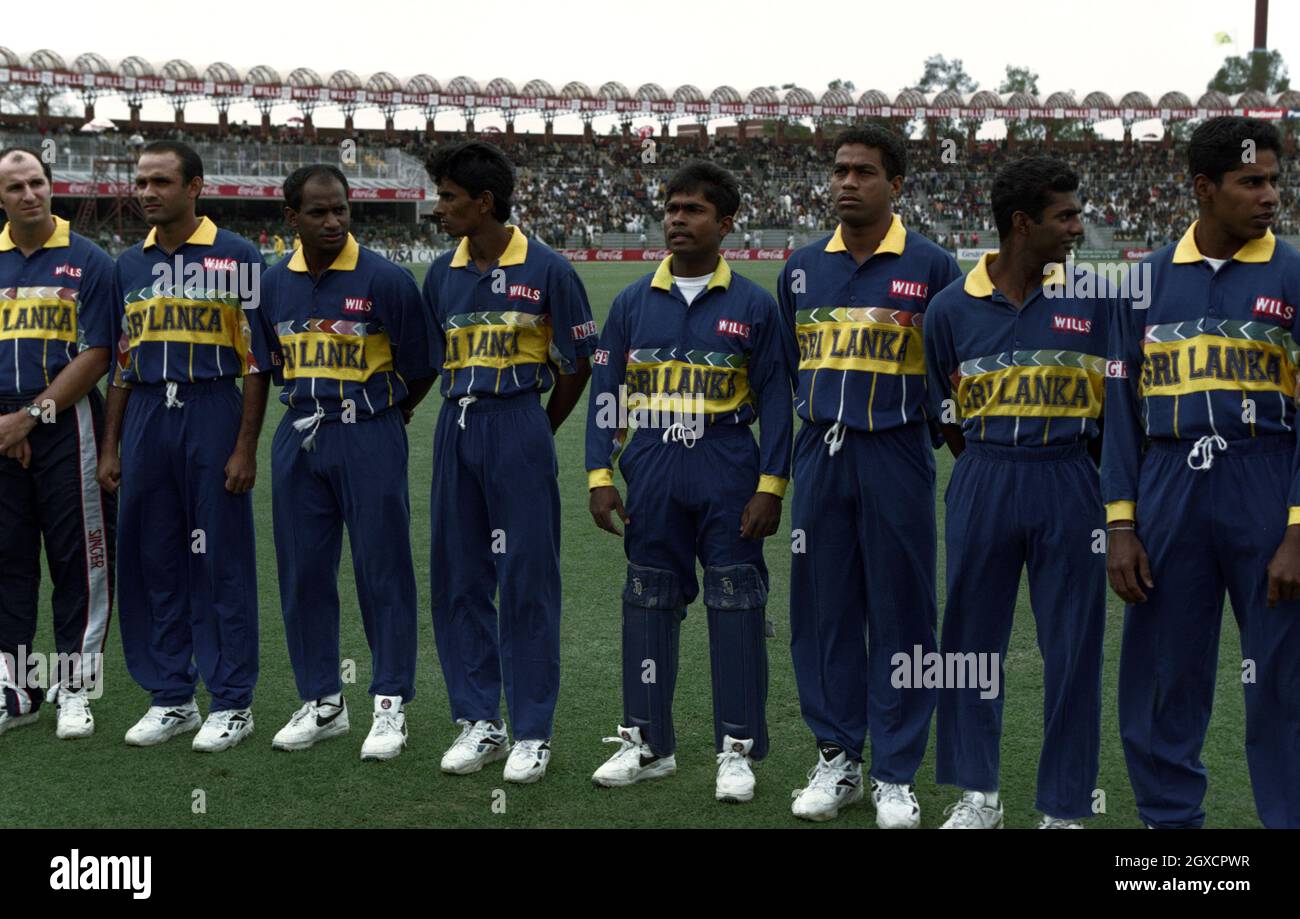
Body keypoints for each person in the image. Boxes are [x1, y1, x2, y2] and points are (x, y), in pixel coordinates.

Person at [1104, 116, 1300, 828]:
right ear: (1203, 189)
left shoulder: (1295, 273)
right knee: (1164, 673)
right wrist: (1121, 524)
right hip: (1168, 485)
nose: (1270, 195)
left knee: (1282, 675)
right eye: (1252, 181)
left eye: (1274, 180)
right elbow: (1119, 415)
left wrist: (1298, 526)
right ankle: (1171, 826)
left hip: (1267, 480)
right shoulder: (1140, 282)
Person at [586, 161, 792, 802]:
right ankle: (646, 743)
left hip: (727, 461)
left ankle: (737, 749)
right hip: (651, 463)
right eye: (672, 208)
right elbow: (606, 393)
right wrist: (600, 474)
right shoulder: (629, 302)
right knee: (648, 598)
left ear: (725, 223)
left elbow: (780, 400)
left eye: (693, 210)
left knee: (735, 601)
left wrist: (771, 485)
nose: (677, 219)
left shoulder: (755, 304)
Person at [781, 127, 961, 825]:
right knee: (824, 609)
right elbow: (795, 367)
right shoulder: (800, 268)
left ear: (897, 184)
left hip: (897, 452)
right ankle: (837, 758)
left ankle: (894, 770)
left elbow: (950, 368)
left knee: (903, 610)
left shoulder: (933, 265)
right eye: (840, 171)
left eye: (864, 172)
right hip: (819, 453)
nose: (847, 182)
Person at [925, 157, 1108, 829]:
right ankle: (979, 797)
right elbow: (941, 409)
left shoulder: (1095, 298)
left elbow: (1117, 408)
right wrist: (988, 466)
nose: (1077, 227)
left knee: (1073, 647)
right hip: (983, 477)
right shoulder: (949, 307)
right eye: (1065, 215)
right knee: (970, 644)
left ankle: (1065, 807)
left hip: (1070, 479)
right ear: (1022, 224)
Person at [422, 141, 594, 784]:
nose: (438, 209)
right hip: (455, 428)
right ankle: (479, 722)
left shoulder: (548, 269)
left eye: (448, 197)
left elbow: (580, 363)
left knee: (526, 579)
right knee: (460, 577)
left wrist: (538, 425)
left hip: (518, 423)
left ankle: (531, 731)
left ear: (484, 202)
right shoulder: (441, 272)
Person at [97, 140, 271, 753]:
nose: (147, 192)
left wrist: (245, 446)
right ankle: (171, 695)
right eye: (141, 181)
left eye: (161, 181)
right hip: (146, 411)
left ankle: (232, 701)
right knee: (153, 557)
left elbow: (255, 362)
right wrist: (111, 445)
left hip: (212, 407)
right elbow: (120, 363)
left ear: (194, 186)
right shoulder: (127, 266)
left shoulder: (237, 256)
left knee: (221, 557)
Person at [258, 165, 434, 760]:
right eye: (317, 213)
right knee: (303, 572)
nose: (332, 222)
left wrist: (386, 414)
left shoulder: (384, 278)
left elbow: (421, 366)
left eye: (340, 210)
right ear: (291, 219)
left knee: (382, 569)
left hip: (368, 435)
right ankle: (322, 702)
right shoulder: (271, 282)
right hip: (298, 435)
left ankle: (389, 705)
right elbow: (270, 361)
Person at [0, 147, 116, 739]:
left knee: (80, 559)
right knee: (8, 560)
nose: (29, 194)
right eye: (16, 186)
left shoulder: (87, 259)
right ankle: (15, 687)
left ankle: (74, 685)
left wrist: (31, 416)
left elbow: (98, 353)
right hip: (0, 429)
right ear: (1, 198)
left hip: (66, 425)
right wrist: (7, 423)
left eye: (37, 182)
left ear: (52, 187)